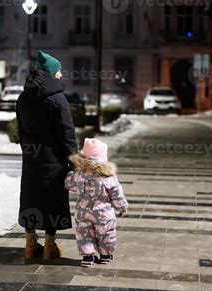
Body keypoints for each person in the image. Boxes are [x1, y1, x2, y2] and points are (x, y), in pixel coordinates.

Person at [16, 50, 78, 260]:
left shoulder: (23, 97)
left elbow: (21, 130)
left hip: (32, 157)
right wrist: (74, 158)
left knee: (31, 197)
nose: (60, 74)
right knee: (52, 199)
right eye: (58, 71)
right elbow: (66, 132)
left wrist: (28, 148)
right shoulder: (58, 99)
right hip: (54, 159)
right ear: (51, 72)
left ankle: (30, 244)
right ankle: (50, 246)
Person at [65, 138, 129, 267]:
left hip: (83, 212)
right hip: (103, 213)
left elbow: (69, 184)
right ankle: (105, 255)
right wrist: (122, 207)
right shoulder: (108, 175)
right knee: (106, 232)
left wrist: (70, 174)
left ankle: (88, 257)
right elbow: (117, 194)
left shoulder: (79, 173)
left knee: (84, 233)